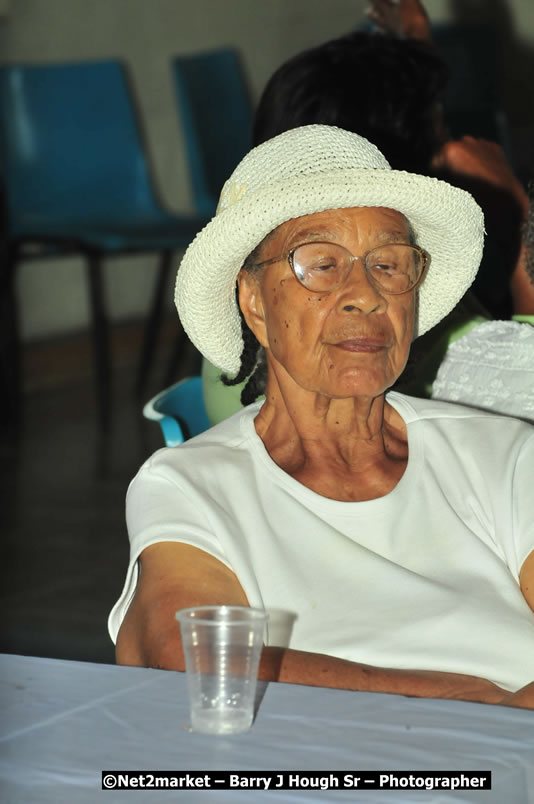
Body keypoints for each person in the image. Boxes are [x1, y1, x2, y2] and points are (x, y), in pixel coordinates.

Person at [110, 125, 534, 709]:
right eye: (321, 264)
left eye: (389, 264)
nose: (365, 294)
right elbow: (189, 658)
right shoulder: (192, 486)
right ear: (255, 301)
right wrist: (479, 699)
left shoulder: (504, 456)